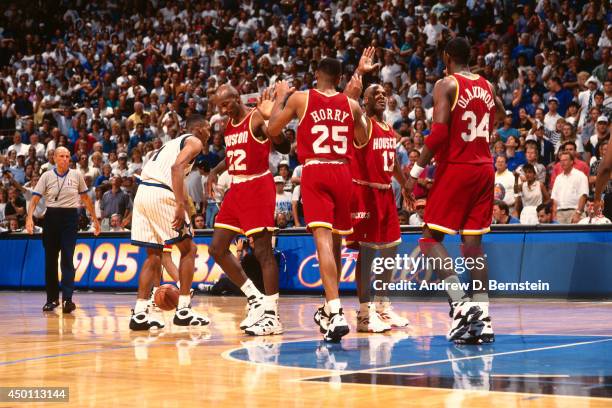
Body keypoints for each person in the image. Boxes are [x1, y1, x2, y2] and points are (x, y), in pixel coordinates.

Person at [406, 37, 505, 344]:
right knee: (473, 246)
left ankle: (460, 303)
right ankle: (483, 317)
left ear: (446, 57)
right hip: (484, 167)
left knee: (428, 239)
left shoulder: (446, 84)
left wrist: (414, 172)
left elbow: (437, 134)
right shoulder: (486, 86)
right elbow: (498, 112)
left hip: (457, 167)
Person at [265, 57, 369, 342]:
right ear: (339, 78)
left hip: (316, 169)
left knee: (323, 240)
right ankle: (329, 304)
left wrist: (279, 97)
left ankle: (335, 311)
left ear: (316, 73)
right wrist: (356, 106)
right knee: (334, 241)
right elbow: (361, 140)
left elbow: (273, 129)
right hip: (343, 172)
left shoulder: (301, 98)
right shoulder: (351, 104)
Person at [343, 49, 411, 333]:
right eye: (376, 93)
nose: (382, 96)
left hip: (385, 194)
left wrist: (404, 182)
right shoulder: (363, 124)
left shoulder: (387, 127)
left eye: (384, 92)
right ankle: (362, 313)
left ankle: (382, 306)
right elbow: (347, 103)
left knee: (391, 251)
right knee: (367, 255)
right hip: (365, 194)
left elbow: (392, 160)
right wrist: (360, 73)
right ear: (366, 100)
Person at [207, 84, 283, 336]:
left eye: (226, 104)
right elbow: (232, 155)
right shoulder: (229, 124)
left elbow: (283, 146)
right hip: (236, 189)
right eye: (219, 107)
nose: (223, 110)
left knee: (263, 252)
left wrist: (272, 119)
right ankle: (255, 298)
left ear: (237, 99)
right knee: (217, 248)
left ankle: (272, 315)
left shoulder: (257, 117)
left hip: (257, 185)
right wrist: (215, 172)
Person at [129, 114, 211, 330]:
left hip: (143, 193)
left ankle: (140, 313)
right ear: (200, 128)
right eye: (208, 128)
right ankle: (184, 309)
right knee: (189, 249)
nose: (210, 133)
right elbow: (176, 169)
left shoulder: (171, 143)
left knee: (154, 255)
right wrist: (180, 204)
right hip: (161, 193)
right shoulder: (194, 141)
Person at [25, 147, 100, 313]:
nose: (65, 159)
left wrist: (95, 220)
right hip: (51, 218)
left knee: (67, 258)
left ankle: (67, 299)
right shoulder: (46, 176)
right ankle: (51, 299)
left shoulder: (77, 175)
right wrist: (29, 218)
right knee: (50, 260)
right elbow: (35, 198)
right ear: (54, 157)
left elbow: (86, 198)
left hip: (70, 218)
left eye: (67, 156)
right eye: (61, 156)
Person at [551, 152, 589, 224]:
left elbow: (583, 195)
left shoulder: (580, 175)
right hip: (560, 213)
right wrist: (554, 214)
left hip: (575, 211)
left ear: (572, 161)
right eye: (561, 161)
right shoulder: (558, 178)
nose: (562, 163)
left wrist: (578, 213)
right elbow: (554, 198)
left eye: (565, 160)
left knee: (576, 235)